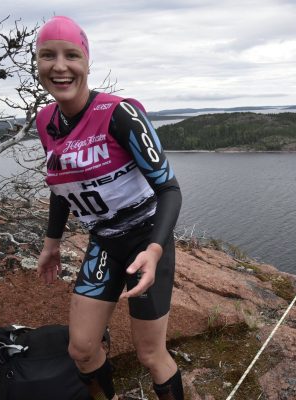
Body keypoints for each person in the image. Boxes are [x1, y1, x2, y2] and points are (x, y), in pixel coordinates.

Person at [35, 16, 183, 400]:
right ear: (38, 63)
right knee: (81, 349)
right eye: (47, 55)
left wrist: (155, 249)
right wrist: (52, 243)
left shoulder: (120, 114)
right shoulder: (45, 121)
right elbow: (62, 182)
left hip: (146, 241)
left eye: (71, 55)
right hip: (104, 242)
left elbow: (169, 189)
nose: (60, 66)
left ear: (86, 62)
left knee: (151, 355)